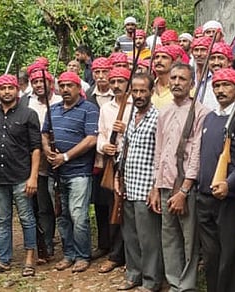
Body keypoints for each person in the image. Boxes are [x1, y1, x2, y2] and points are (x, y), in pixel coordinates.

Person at [150, 63, 211, 291]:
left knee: (189, 239)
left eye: (182, 79)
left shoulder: (201, 112)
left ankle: (187, 286)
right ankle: (174, 282)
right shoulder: (163, 111)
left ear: (192, 84)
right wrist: (156, 186)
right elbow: (159, 151)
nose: (176, 82)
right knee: (169, 237)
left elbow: (196, 154)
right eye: (173, 78)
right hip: (165, 183)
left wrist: (184, 190)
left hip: (186, 186)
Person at [0, 74, 41, 276]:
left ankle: (30, 258)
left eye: (10, 88)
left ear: (17, 90)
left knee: (27, 218)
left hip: (21, 175)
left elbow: (36, 149)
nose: (6, 92)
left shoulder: (29, 114)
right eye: (2, 88)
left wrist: (33, 177)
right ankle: (4, 259)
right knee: (3, 220)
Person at [196, 68, 235, 292]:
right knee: (211, 256)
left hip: (228, 198)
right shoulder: (209, 118)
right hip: (204, 197)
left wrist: (229, 183)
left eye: (226, 85)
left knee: (229, 256)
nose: (220, 90)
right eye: (217, 86)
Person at [43, 71, 99, 273]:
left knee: (78, 216)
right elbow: (44, 133)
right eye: (62, 85)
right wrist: (47, 150)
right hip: (56, 173)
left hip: (78, 172)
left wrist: (65, 157)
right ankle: (69, 254)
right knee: (62, 215)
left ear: (78, 88)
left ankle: (83, 255)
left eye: (70, 85)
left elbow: (91, 139)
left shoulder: (89, 109)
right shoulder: (54, 109)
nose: (65, 89)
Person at [114, 73, 164, 291]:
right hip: (128, 185)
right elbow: (124, 148)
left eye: (143, 91)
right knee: (130, 236)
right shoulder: (131, 115)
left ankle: (152, 280)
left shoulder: (158, 118)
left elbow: (161, 155)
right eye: (135, 91)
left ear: (151, 92)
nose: (138, 95)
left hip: (146, 188)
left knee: (149, 238)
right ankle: (134, 274)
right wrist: (118, 175)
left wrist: (156, 187)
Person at [93, 67, 133, 273]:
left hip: (134, 163)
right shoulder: (106, 108)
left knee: (133, 212)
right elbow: (101, 133)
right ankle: (116, 255)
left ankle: (133, 257)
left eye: (121, 81)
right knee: (114, 209)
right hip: (113, 162)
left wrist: (127, 130)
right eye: (113, 81)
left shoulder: (136, 105)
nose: (117, 85)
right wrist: (103, 146)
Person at [26, 63, 63, 264]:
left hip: (60, 162)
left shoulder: (59, 100)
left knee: (63, 205)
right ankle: (46, 244)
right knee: (43, 207)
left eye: (42, 81)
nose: (39, 85)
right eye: (35, 82)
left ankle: (69, 246)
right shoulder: (27, 103)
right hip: (38, 164)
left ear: (50, 82)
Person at [150, 45, 179, 109]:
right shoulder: (149, 87)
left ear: (173, 62)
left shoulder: (180, 87)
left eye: (164, 57)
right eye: (156, 57)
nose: (159, 60)